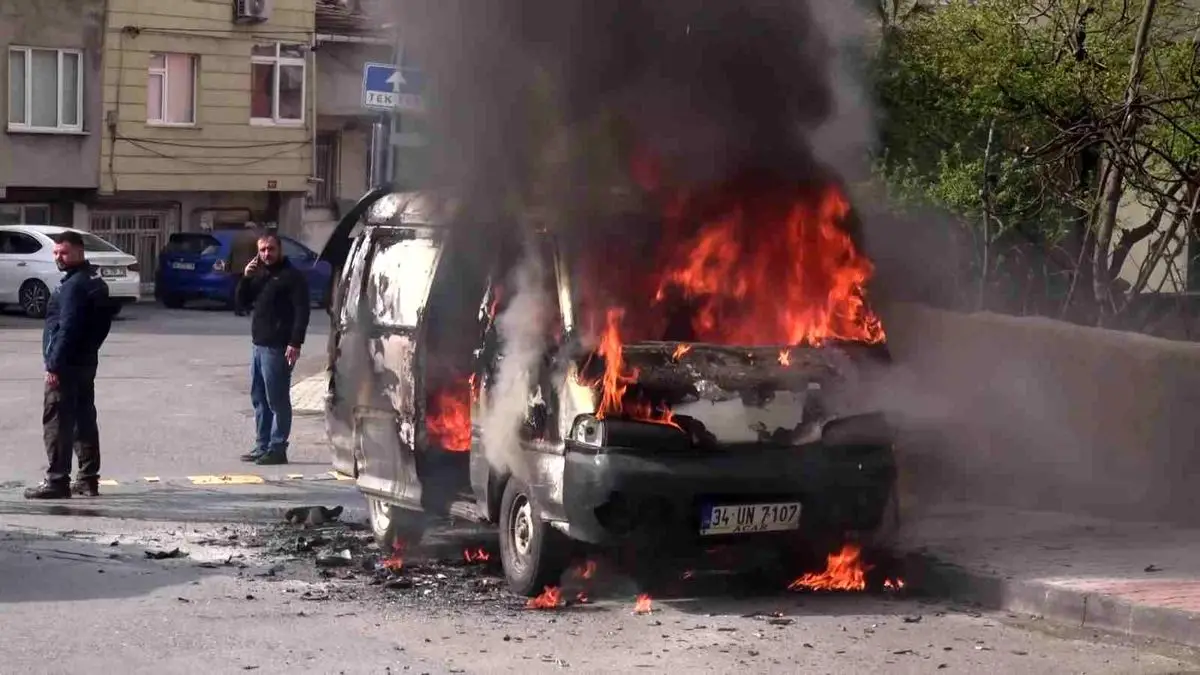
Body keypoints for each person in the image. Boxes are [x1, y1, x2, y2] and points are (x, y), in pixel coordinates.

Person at [25, 231, 116, 500]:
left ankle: (56, 481)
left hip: (66, 364)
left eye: (63, 252)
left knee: (57, 421)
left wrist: (54, 364)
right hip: (85, 361)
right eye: (55, 252)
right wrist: (89, 349)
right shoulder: (94, 280)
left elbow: (67, 328)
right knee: (83, 419)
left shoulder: (74, 286)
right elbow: (102, 323)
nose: (58, 257)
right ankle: (88, 480)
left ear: (79, 251)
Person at [236, 230, 310, 465]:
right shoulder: (261, 275)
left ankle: (278, 448)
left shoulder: (291, 277)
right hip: (258, 345)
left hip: (278, 347)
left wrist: (295, 342)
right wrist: (246, 279)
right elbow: (241, 304)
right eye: (263, 250)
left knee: (277, 399)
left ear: (280, 250)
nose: (267, 254)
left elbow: (302, 312)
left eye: (271, 249)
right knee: (259, 397)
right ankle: (262, 445)